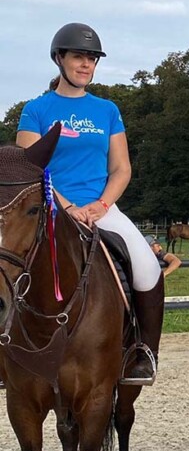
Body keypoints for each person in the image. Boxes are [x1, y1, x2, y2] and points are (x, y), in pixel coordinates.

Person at [16, 23, 164, 385]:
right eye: (79, 57)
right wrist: (65, 207)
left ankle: (143, 352)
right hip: (47, 208)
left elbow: (121, 168)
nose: (86, 65)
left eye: (92, 59)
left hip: (102, 208)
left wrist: (100, 205)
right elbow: (30, 167)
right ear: (59, 59)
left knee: (147, 267)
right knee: (9, 260)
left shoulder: (107, 111)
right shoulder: (35, 111)